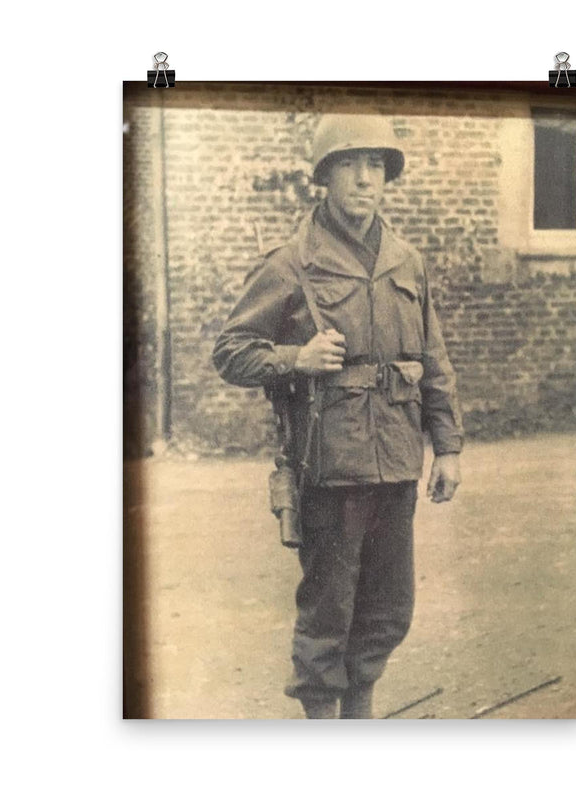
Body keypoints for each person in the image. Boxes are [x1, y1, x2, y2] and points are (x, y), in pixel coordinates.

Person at [213, 114, 463, 719]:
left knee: (388, 607)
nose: (364, 179)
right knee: (329, 607)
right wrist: (296, 357)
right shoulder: (291, 263)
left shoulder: (406, 261)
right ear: (325, 176)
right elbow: (231, 352)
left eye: (375, 165)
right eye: (349, 164)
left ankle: (360, 714)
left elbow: (433, 358)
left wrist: (448, 446)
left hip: (397, 459)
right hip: (329, 462)